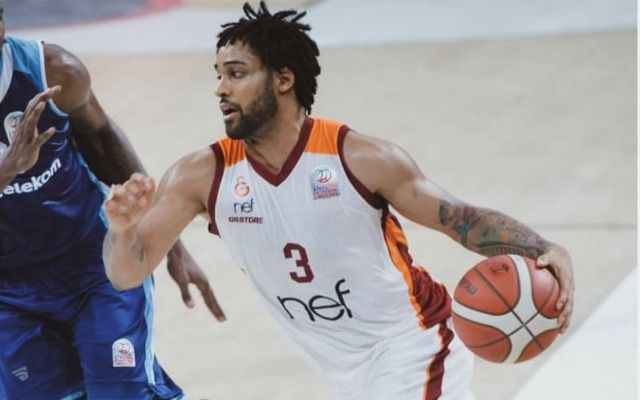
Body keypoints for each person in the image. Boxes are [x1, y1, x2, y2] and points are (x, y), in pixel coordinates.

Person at [102, 2, 574, 399]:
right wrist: (122, 231)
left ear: (283, 80)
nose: (220, 88)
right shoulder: (200, 176)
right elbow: (126, 272)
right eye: (219, 75)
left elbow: (461, 220)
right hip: (343, 371)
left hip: (414, 344)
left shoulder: (361, 158)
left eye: (236, 73)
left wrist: (543, 249)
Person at [0, 5, 226, 400]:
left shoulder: (54, 71)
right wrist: (8, 169)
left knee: (121, 394)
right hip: (9, 291)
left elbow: (104, 143)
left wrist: (168, 241)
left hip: (94, 263)